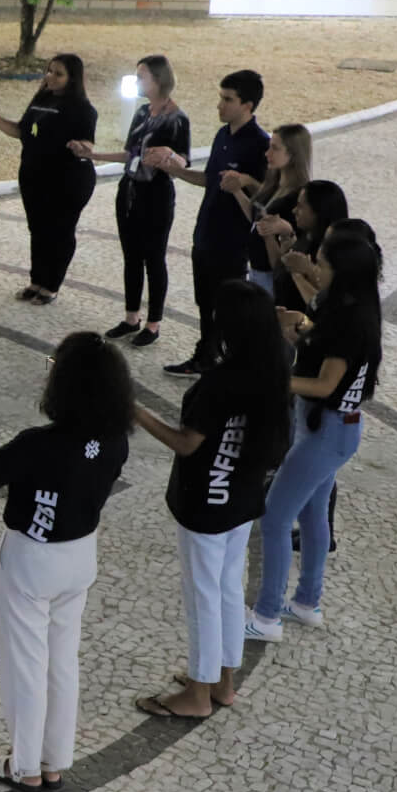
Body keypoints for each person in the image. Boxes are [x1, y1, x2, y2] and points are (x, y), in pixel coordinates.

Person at [0, 333, 133, 792]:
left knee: (26, 665)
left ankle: (24, 765)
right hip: (80, 556)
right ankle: (54, 761)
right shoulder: (115, 442)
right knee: (62, 661)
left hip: (32, 560)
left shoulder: (40, 443)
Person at [130, 280, 291, 719]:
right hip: (240, 498)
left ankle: (197, 694)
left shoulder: (219, 384)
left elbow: (187, 444)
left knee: (202, 593)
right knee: (227, 588)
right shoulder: (274, 367)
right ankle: (223, 681)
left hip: (204, 503)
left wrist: (138, 412)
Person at [247, 221, 383, 643]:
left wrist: (270, 379)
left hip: (327, 432)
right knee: (311, 514)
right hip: (334, 430)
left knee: (273, 517)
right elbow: (327, 349)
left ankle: (266, 616)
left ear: (340, 268)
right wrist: (305, 329)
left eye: (321, 261)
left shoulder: (350, 321)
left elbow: (326, 384)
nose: (314, 266)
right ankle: (307, 601)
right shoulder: (349, 305)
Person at [150, 70, 271, 377]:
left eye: (227, 99)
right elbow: (210, 179)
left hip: (232, 241)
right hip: (206, 232)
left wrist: (246, 182)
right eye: (221, 97)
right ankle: (206, 354)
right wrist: (175, 171)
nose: (220, 105)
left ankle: (221, 360)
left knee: (227, 307)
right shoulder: (223, 135)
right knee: (204, 301)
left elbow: (266, 194)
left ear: (248, 105)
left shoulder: (259, 144)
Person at [73, 56, 191, 348]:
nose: (137, 81)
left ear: (159, 80)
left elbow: (184, 161)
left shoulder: (177, 118)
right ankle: (131, 316)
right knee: (131, 256)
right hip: (129, 191)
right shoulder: (141, 113)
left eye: (142, 76)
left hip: (157, 194)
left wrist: (170, 157)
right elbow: (130, 153)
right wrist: (93, 156)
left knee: (154, 257)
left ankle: (154, 322)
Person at [0, 54, 99, 304]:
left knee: (60, 232)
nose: (50, 76)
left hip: (68, 181)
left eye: (58, 73)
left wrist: (80, 145)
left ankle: (51, 285)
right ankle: (37, 280)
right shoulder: (41, 99)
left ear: (72, 78)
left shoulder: (83, 109)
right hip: (34, 177)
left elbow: (88, 143)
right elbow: (22, 130)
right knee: (38, 230)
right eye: (49, 71)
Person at [227, 123, 312, 296]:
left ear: (293, 154)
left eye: (275, 148)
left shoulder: (299, 197)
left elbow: (297, 242)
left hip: (273, 276)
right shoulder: (273, 184)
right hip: (256, 270)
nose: (267, 154)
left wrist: (281, 232)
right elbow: (255, 218)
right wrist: (236, 191)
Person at [264, 178, 349, 316]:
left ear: (319, 212)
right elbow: (280, 269)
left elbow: (332, 304)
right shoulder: (305, 236)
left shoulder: (332, 254)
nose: (294, 210)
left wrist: (308, 271)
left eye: (301, 207)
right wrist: (270, 235)